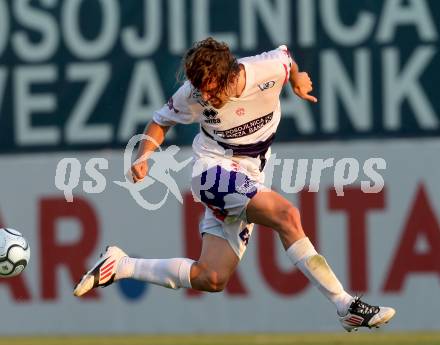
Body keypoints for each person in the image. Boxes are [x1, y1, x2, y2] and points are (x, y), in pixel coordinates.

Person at [73, 37, 395, 332]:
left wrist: (296, 78)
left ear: (231, 74)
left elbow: (287, 58)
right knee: (287, 216)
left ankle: (122, 265)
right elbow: (161, 120)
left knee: (212, 277)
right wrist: (143, 155)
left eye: (212, 90)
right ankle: (344, 304)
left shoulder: (265, 70)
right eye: (201, 91)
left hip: (249, 176)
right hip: (210, 171)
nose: (207, 98)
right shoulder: (194, 93)